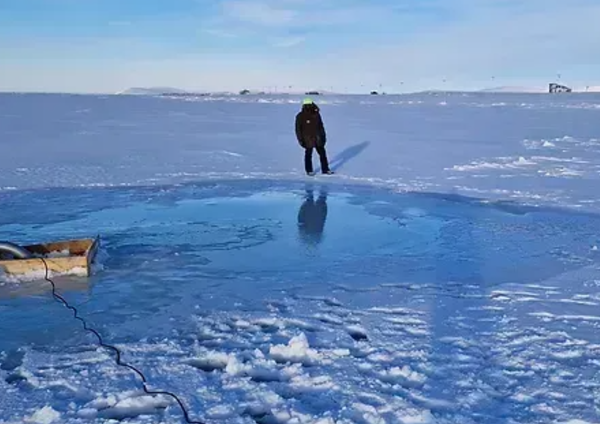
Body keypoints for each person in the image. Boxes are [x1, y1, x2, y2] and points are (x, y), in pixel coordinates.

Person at [295, 98, 333, 176]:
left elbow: (321, 126)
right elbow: (298, 129)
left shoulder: (316, 114)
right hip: (308, 139)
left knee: (322, 154)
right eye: (307, 105)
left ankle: (325, 170)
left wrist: (323, 137)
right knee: (308, 155)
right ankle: (309, 171)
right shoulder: (300, 116)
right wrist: (301, 140)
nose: (309, 106)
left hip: (318, 139)